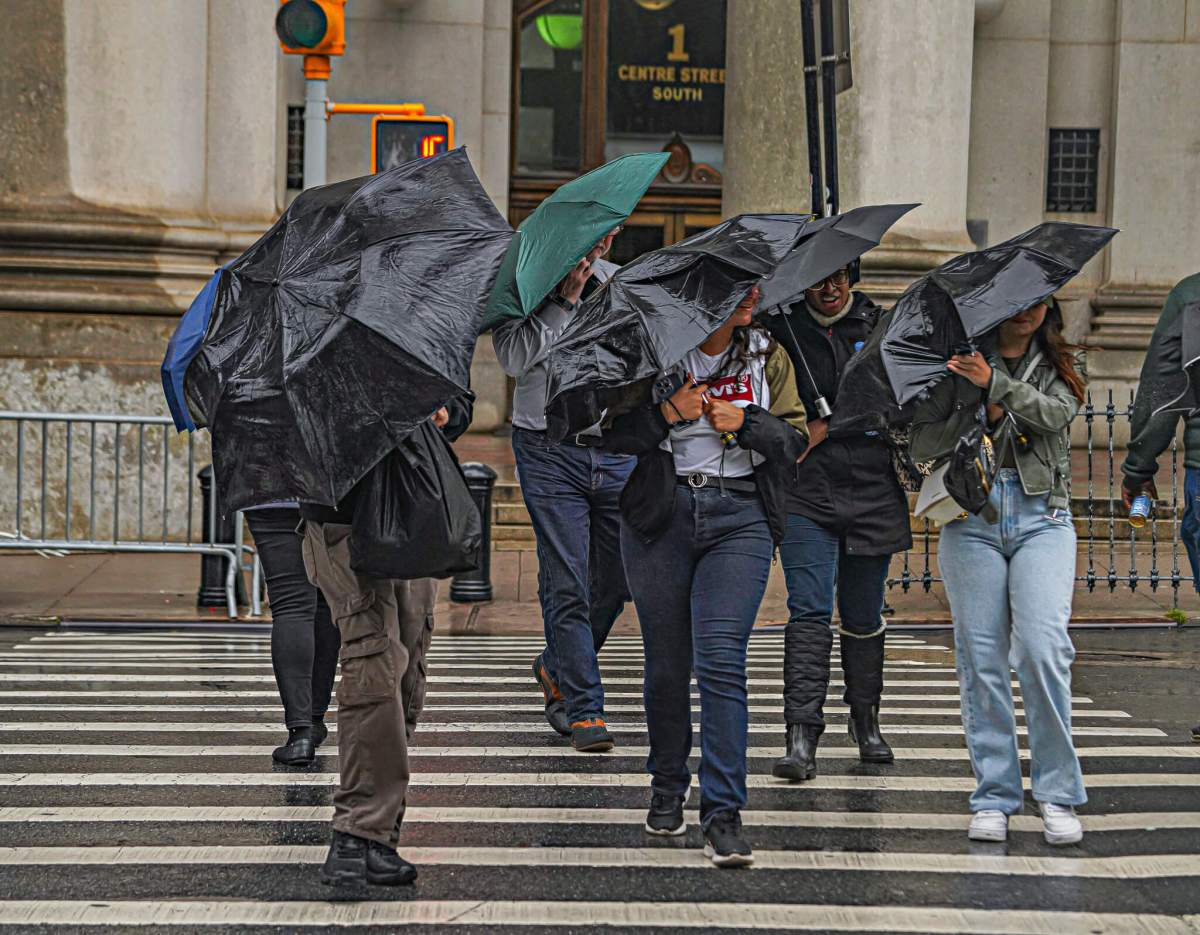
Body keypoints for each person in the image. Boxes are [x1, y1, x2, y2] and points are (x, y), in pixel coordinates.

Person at [605, 284, 808, 867]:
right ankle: (667, 781)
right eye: (732, 286)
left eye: (754, 286)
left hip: (739, 516)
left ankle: (723, 812)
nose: (748, 295)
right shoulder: (657, 351)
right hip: (661, 518)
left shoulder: (770, 354)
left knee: (722, 657)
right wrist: (670, 413)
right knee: (667, 662)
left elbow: (793, 441)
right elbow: (613, 433)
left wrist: (747, 422)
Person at [910, 298, 1087, 846]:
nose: (1027, 311)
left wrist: (998, 388)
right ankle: (994, 795)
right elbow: (921, 443)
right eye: (1016, 302)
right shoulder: (958, 367)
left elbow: (1057, 416)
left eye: (1039, 302)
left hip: (1042, 518)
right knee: (981, 658)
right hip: (973, 518)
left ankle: (1056, 793)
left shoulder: (1055, 363)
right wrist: (976, 410)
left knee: (1041, 647)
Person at [300, 399, 469, 887]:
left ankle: (378, 833)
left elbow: (461, 406)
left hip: (411, 512)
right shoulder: (304, 341)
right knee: (373, 660)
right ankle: (357, 829)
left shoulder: (411, 327)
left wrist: (444, 411)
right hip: (341, 519)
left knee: (407, 671)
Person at [763, 267, 911, 780]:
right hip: (808, 487)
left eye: (840, 278)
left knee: (864, 613)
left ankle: (865, 720)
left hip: (872, 485)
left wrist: (837, 422)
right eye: (819, 279)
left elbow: (903, 399)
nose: (830, 289)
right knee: (808, 609)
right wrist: (802, 434)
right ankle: (801, 734)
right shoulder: (779, 329)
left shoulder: (879, 327)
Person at [493, 228, 633, 752]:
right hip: (548, 449)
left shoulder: (621, 287)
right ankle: (583, 707)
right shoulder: (522, 292)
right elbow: (513, 360)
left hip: (614, 447)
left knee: (616, 580)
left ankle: (556, 665)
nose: (595, 248)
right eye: (586, 239)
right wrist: (563, 301)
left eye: (603, 238)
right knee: (567, 578)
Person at [244, 505, 340, 767]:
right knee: (324, 598)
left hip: (270, 491)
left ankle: (300, 734)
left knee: (291, 604)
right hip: (326, 493)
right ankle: (314, 720)